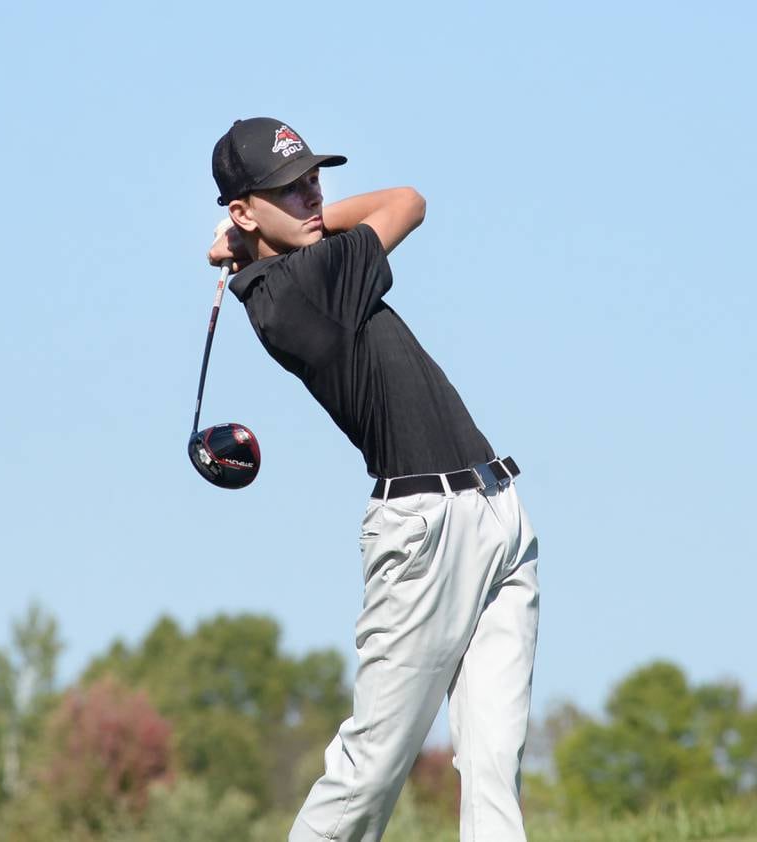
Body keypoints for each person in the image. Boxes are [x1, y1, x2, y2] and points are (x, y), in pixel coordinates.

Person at [207, 117, 539, 842]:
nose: (310, 198)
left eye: (312, 181)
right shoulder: (301, 283)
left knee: (493, 768)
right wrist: (259, 240)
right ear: (241, 209)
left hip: (497, 515)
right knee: (370, 771)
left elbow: (330, 220)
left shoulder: (284, 267)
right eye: (286, 191)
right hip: (424, 535)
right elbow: (406, 202)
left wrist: (254, 235)